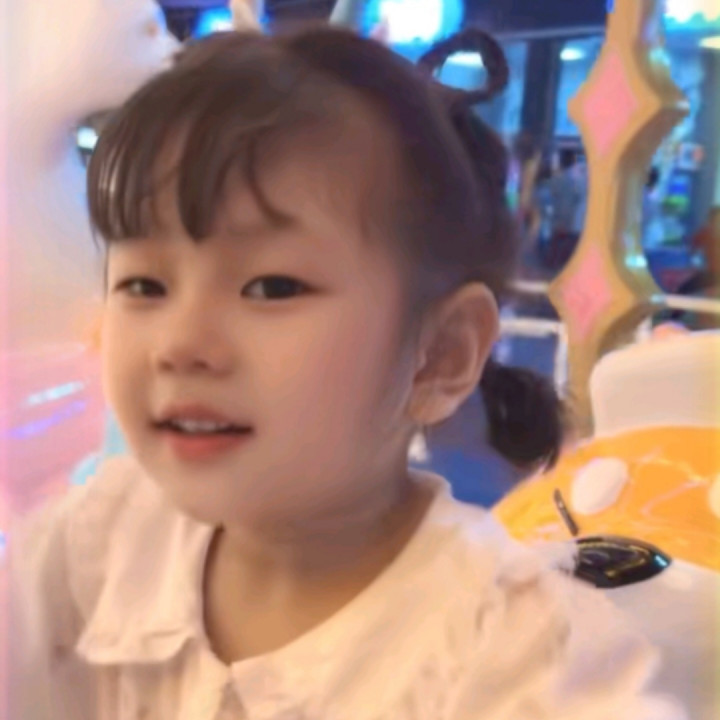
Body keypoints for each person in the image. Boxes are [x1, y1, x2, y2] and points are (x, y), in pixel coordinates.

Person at [7, 28, 685, 720]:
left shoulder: (520, 657)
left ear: (440, 354)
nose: (179, 345)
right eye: (145, 285)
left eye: (271, 287)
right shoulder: (98, 543)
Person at [546, 147, 587, 269]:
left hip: (562, 217)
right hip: (574, 219)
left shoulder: (560, 178)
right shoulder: (579, 176)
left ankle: (553, 265)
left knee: (557, 245)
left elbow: (553, 195)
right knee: (569, 247)